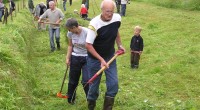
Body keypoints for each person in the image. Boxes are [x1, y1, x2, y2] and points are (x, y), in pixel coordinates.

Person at [85, 0, 125, 109]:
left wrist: (120, 45)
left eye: (112, 11)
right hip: (95, 59)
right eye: (107, 11)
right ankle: (91, 105)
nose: (110, 14)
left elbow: (116, 30)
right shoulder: (94, 23)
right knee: (94, 86)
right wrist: (101, 60)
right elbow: (88, 45)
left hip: (110, 56)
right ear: (101, 10)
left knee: (113, 84)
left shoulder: (117, 18)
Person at [65, 18, 89, 104]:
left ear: (75, 27)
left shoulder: (87, 32)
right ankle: (70, 99)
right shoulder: (70, 33)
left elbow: (92, 46)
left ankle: (90, 99)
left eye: (70, 29)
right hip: (75, 56)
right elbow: (70, 46)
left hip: (87, 57)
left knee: (86, 80)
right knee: (73, 80)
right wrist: (68, 58)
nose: (69, 31)